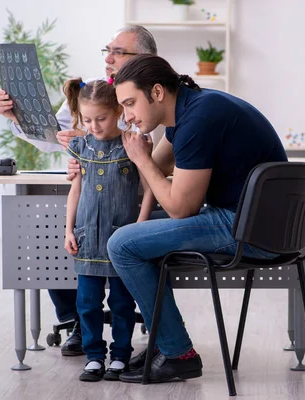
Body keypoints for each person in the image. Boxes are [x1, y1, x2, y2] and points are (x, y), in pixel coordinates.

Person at [105, 54, 288, 384]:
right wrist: (137, 156)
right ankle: (165, 342)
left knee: (121, 244)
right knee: (139, 232)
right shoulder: (193, 109)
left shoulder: (198, 120)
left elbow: (180, 209)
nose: (127, 116)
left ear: (157, 92)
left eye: (130, 103)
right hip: (262, 224)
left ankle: (178, 354)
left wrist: (142, 160)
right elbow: (158, 171)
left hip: (248, 229)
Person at [0, 25, 160, 356]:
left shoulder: (155, 94)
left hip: (139, 199)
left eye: (118, 52)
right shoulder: (93, 92)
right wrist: (19, 117)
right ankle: (76, 322)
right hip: (92, 190)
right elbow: (51, 134)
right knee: (49, 228)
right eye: (107, 50)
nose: (109, 58)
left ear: (144, 59)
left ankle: (132, 332)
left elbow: (156, 152)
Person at [63, 76, 153, 381]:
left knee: (121, 302)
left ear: (117, 110)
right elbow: (75, 190)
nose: (94, 126)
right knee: (86, 303)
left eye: (100, 118)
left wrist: (140, 227)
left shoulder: (132, 143)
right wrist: (68, 230)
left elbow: (149, 188)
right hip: (88, 238)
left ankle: (120, 355)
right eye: (87, 119)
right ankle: (94, 357)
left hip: (122, 240)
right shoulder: (79, 146)